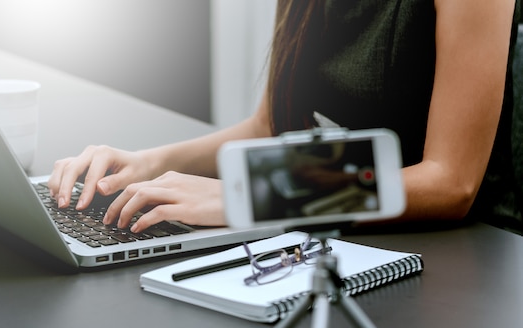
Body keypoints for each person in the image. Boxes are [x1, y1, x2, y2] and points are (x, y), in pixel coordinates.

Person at [48, 0, 523, 235]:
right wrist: (149, 162)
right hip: (342, 226)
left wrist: (253, 193)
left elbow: (451, 183)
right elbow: (272, 125)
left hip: (466, 248)